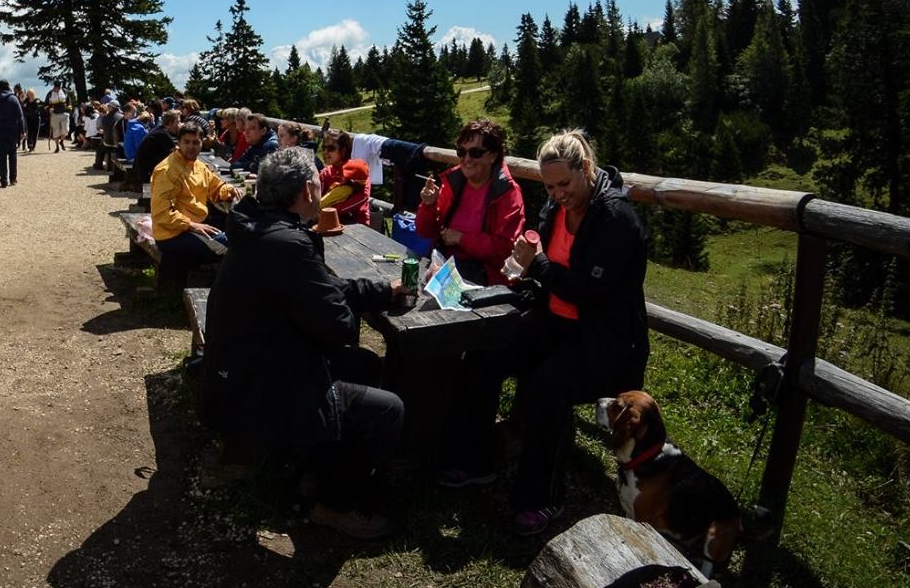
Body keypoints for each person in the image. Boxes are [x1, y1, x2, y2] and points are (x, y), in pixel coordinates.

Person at [439, 130, 649, 536]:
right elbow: (546, 268)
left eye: (564, 184)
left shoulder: (616, 220)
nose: (557, 194)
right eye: (550, 186)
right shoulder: (556, 209)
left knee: (545, 388)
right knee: (485, 356)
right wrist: (529, 271)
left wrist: (537, 268)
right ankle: (477, 460)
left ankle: (542, 499)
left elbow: (594, 293)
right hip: (554, 318)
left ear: (585, 169)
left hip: (602, 338)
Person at [198, 146, 405, 540]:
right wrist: (342, 305)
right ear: (308, 191)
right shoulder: (287, 245)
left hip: (240, 371)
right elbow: (337, 327)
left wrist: (380, 292)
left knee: (364, 365)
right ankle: (335, 504)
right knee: (388, 409)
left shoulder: (258, 227)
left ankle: (319, 469)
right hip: (257, 388)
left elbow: (320, 288)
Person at [415, 120, 525, 284]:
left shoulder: (507, 193)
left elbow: (504, 249)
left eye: (475, 153)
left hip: (484, 280)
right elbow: (425, 231)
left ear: (493, 156)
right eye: (461, 151)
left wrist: (461, 238)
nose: (467, 159)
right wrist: (429, 205)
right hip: (445, 270)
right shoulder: (454, 181)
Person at [150, 121, 240, 289]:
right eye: (186, 142)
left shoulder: (198, 166)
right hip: (172, 234)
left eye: (195, 142)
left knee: (240, 233)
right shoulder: (168, 170)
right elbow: (161, 213)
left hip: (193, 225)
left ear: (202, 143)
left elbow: (216, 187)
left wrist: (229, 190)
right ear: (178, 143)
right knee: (232, 247)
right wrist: (191, 225)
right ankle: (225, 295)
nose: (191, 147)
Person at [317, 129, 372, 225]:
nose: (325, 152)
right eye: (324, 147)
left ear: (343, 150)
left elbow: (362, 197)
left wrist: (324, 211)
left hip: (357, 224)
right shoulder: (326, 172)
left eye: (331, 148)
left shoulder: (358, 170)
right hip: (325, 220)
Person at [132, 109, 178, 201]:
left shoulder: (158, 130)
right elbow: (176, 155)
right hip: (146, 173)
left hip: (140, 168)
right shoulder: (163, 135)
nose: (179, 125)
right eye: (178, 122)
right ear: (170, 123)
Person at [0, 80, 25, 188]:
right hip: (12, 130)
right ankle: (13, 178)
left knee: (2, 156)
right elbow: (20, 116)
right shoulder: (13, 98)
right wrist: (22, 130)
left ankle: (3, 180)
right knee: (12, 155)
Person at [45, 84, 69, 152]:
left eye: (59, 87)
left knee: (65, 130)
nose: (58, 89)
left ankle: (61, 141)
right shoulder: (50, 94)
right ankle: (57, 146)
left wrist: (68, 110)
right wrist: (49, 109)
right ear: (54, 87)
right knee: (56, 131)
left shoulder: (65, 92)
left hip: (64, 114)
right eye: (56, 87)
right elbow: (46, 104)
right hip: (54, 115)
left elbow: (69, 102)